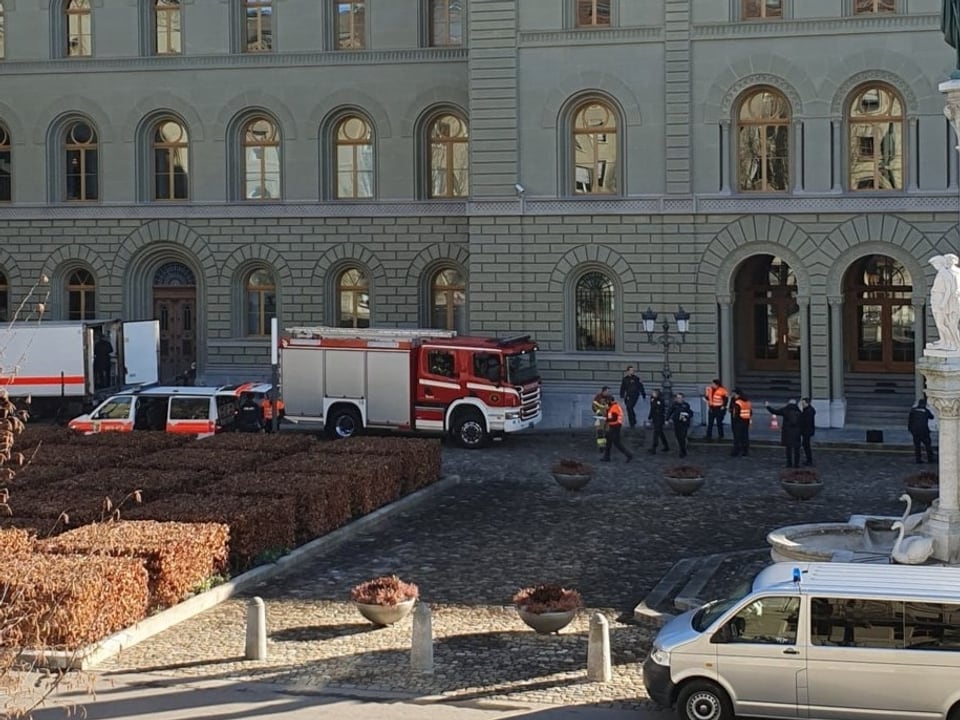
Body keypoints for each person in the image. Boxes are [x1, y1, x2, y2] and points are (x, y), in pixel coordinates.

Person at [928, 254, 960, 350]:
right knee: (943, 323)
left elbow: (950, 290)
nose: (934, 266)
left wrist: (943, 303)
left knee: (946, 324)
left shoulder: (947, 273)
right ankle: (945, 341)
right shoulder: (944, 273)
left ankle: (953, 343)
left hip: (946, 301)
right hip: (939, 300)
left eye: (935, 264)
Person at [766, 399, 803, 468]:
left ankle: (789, 463)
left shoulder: (785, 410)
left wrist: (768, 406)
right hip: (797, 432)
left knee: (788, 449)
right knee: (796, 449)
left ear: (788, 403)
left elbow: (775, 411)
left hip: (787, 432)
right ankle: (796, 464)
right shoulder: (799, 411)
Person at [601, 397, 633, 463]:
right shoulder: (612, 407)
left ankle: (629, 455)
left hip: (615, 426)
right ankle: (606, 457)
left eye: (607, 402)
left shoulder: (614, 407)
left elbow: (614, 418)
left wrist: (606, 419)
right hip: (612, 426)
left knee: (617, 443)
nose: (606, 404)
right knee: (608, 441)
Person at [908, 397, 935, 464]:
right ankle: (930, 458)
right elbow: (932, 417)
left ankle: (918, 459)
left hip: (915, 431)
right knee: (927, 445)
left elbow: (910, 420)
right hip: (924, 431)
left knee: (917, 446)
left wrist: (910, 429)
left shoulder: (913, 410)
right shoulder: (925, 411)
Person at [619, 365, 647, 430]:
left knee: (629, 407)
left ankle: (633, 421)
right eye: (631, 370)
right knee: (629, 408)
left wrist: (643, 394)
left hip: (635, 395)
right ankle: (632, 422)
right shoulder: (625, 379)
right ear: (627, 371)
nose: (632, 372)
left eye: (633, 370)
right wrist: (622, 395)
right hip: (628, 396)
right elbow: (622, 388)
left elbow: (641, 386)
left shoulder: (636, 378)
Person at [667, 392, 693, 458]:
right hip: (677, 423)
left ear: (683, 398)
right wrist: (667, 419)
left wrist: (687, 416)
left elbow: (690, 413)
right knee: (678, 437)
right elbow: (670, 412)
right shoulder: (674, 405)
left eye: (680, 398)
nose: (679, 399)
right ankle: (683, 450)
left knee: (682, 437)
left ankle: (682, 452)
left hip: (684, 423)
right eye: (678, 398)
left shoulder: (686, 405)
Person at [730, 388, 752, 458]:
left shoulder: (737, 402)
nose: (732, 395)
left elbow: (735, 413)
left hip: (738, 421)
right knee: (745, 436)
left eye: (733, 394)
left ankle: (736, 451)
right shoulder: (747, 401)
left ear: (737, 394)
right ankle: (745, 451)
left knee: (737, 437)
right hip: (746, 421)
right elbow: (751, 412)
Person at [647, 388, 670, 454]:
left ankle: (654, 448)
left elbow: (660, 410)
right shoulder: (652, 399)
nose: (653, 394)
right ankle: (666, 446)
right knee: (660, 433)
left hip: (659, 418)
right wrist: (650, 417)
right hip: (655, 418)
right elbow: (652, 408)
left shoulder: (660, 400)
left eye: (654, 393)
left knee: (656, 433)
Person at [592, 386, 612, 454]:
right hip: (600, 418)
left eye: (609, 392)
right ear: (603, 391)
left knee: (608, 432)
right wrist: (598, 412)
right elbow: (594, 406)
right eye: (607, 391)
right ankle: (601, 447)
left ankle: (606, 446)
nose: (609, 393)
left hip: (607, 418)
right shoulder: (598, 397)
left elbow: (612, 406)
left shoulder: (610, 398)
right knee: (600, 432)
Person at [799, 398, 817, 466]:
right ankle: (809, 460)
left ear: (807, 403)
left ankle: (809, 460)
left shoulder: (808, 411)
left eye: (803, 403)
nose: (802, 405)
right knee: (805, 445)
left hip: (807, 431)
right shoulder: (809, 410)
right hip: (807, 431)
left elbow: (805, 421)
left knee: (806, 446)